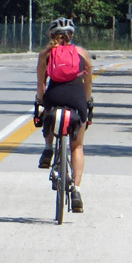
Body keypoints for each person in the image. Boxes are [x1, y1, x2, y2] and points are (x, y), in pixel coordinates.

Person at [35, 17, 93, 212]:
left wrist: (41, 102)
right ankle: (76, 190)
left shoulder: (45, 54)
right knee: (77, 147)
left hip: (54, 95)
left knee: (48, 116)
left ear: (51, 35)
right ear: (72, 35)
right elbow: (88, 85)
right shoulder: (82, 53)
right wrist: (86, 103)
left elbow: (41, 85)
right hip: (76, 97)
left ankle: (48, 147)